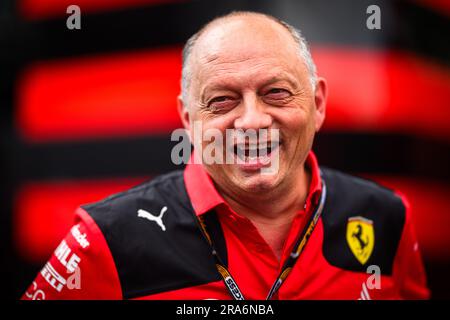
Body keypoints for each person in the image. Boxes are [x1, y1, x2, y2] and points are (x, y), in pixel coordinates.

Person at [22, 11, 429, 300]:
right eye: (222, 101)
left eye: (276, 93)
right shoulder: (104, 240)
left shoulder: (387, 217)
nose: (250, 120)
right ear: (187, 117)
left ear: (318, 103)